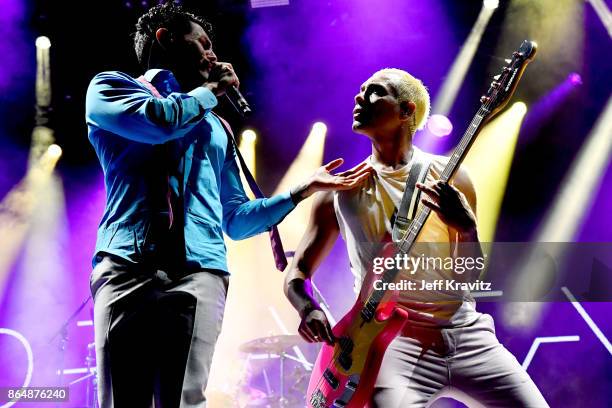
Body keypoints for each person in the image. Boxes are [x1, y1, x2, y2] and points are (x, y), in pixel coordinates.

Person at [85, 3, 371, 407]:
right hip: (128, 266)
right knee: (124, 399)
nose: (211, 54)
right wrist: (209, 94)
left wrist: (299, 192)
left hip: (199, 273)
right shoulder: (112, 89)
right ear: (165, 38)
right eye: (201, 43)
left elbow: (235, 221)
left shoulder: (215, 126)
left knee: (185, 398)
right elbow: (161, 121)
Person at [284, 68, 549, 407]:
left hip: (466, 333)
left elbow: (469, 274)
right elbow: (297, 272)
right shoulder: (339, 191)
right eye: (360, 89)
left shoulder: (451, 176)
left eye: (375, 91)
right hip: (393, 346)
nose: (359, 97)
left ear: (407, 111)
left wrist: (466, 228)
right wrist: (307, 308)